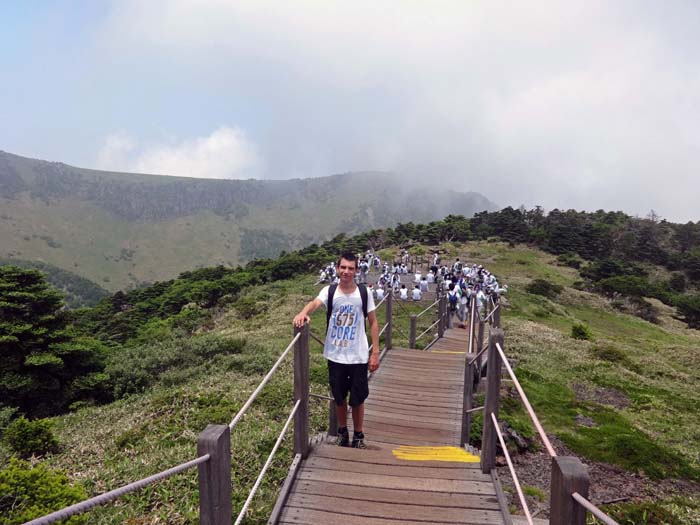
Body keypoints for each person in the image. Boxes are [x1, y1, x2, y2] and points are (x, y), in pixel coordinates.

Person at [293, 253, 380, 449]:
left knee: (358, 398)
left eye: (351, 268)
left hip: (358, 355)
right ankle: (342, 431)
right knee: (339, 397)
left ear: (357, 270)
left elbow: (373, 322)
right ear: (337, 268)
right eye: (343, 267)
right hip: (335, 354)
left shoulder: (364, 293)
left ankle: (358, 435)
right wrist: (303, 313)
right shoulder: (330, 291)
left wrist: (375, 352)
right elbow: (315, 303)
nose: (346, 272)